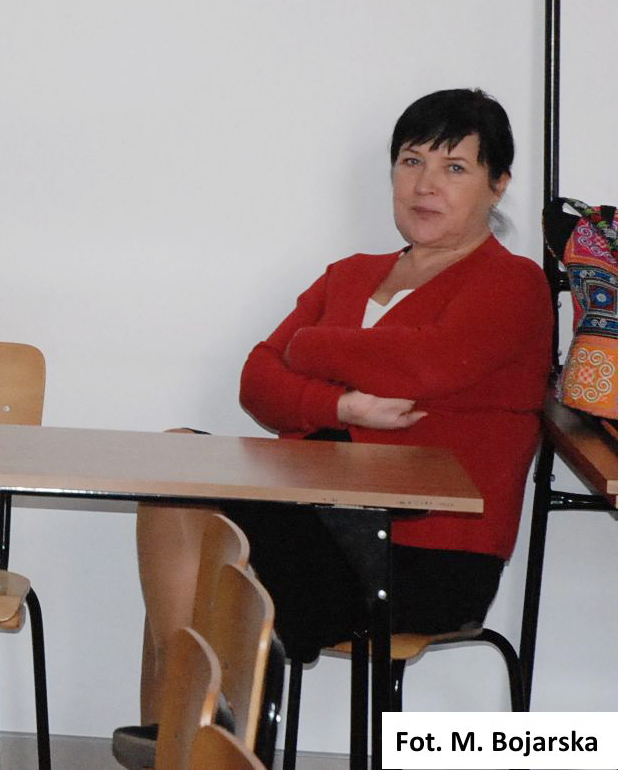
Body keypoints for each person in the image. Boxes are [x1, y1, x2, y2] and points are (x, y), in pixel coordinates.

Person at [117, 88, 551, 763]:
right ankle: (194, 724)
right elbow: (256, 381)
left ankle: (194, 726)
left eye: (454, 167)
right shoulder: (349, 275)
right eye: (410, 161)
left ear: (498, 184)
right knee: (175, 468)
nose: (425, 185)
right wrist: (342, 407)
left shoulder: (513, 283)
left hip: (418, 553)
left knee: (205, 555)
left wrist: (310, 345)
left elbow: (422, 365)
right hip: (317, 515)